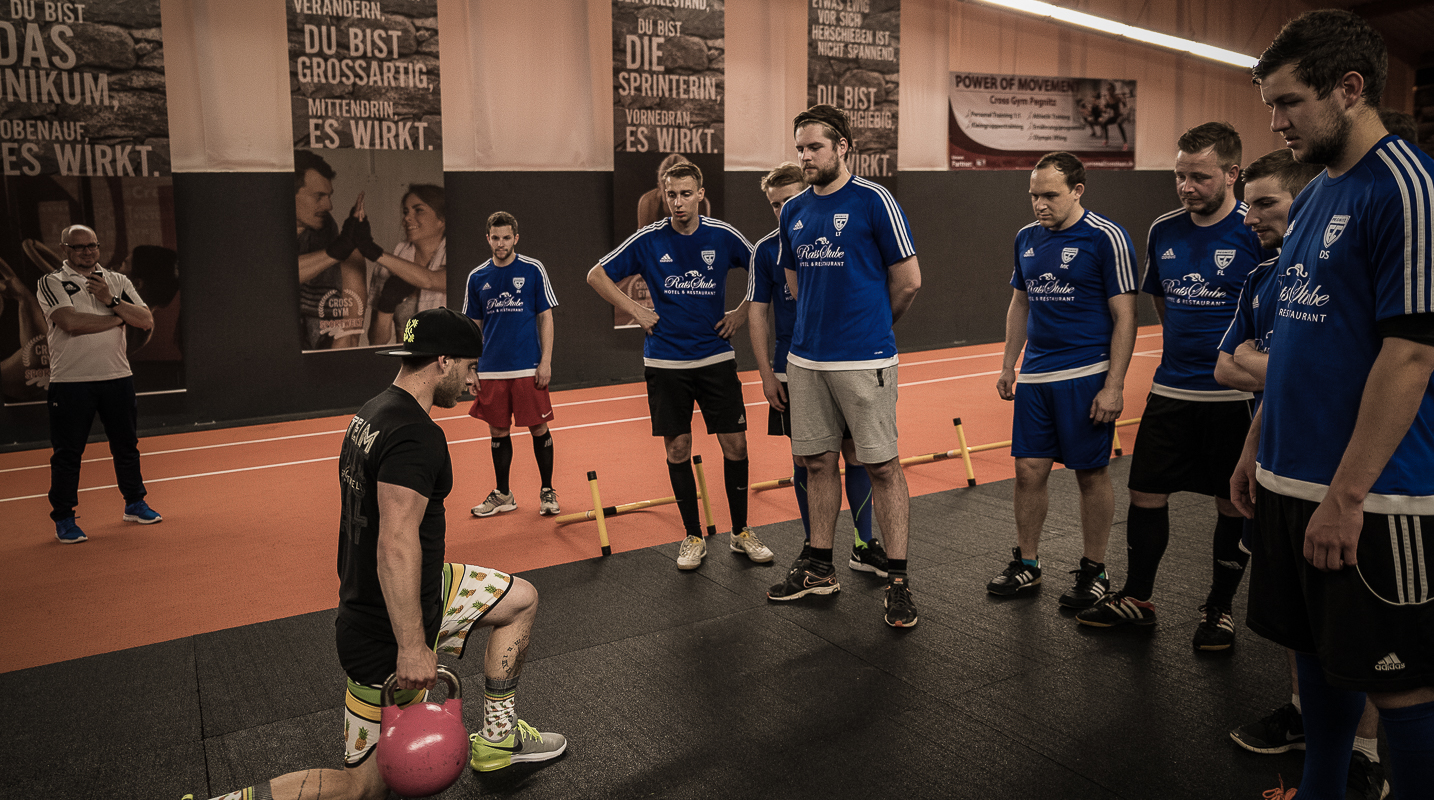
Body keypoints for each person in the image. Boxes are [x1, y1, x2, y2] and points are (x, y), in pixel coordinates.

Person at [184, 308, 565, 800]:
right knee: (362, 790)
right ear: (443, 362)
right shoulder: (415, 435)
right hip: (386, 625)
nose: (475, 381)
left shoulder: (373, 413)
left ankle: (497, 737)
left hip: (420, 587)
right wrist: (410, 645)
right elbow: (394, 546)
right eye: (471, 368)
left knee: (521, 600)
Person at [1234, 10, 1434, 799]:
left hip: (1375, 500)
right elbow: (1297, 343)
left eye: (1288, 103)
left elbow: (1412, 354)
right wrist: (1257, 447)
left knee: (1399, 684)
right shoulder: (1315, 192)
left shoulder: (1410, 191)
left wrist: (1347, 497)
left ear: (1349, 91)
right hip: (1288, 481)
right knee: (1315, 659)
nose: (1276, 122)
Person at [1217, 148, 1389, 800]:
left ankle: (1365, 755)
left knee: (1364, 638)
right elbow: (1229, 365)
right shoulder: (1270, 272)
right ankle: (1309, 725)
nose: (1249, 215)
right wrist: (1252, 449)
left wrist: (1290, 362)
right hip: (1282, 466)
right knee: (1303, 629)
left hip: (1357, 477)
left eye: (1265, 203)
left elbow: (1368, 369)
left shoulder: (1357, 262)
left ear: (1309, 200)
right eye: (1249, 202)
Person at [1075, 123, 1267, 647]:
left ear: (1232, 174)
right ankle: (1138, 598)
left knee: (1232, 504)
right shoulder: (1163, 229)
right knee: (1145, 492)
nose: (1186, 186)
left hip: (1236, 400)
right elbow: (1161, 301)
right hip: (1171, 391)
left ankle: (1219, 610)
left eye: (1199, 177)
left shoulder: (1256, 230)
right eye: (1179, 175)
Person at [764, 104, 922, 628]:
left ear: (842, 147)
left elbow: (909, 281)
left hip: (864, 359)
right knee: (816, 464)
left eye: (815, 147)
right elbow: (792, 283)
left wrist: (874, 326)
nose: (806, 157)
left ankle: (897, 579)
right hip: (805, 360)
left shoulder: (875, 201)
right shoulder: (793, 211)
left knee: (880, 466)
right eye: (800, 149)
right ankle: (818, 566)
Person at [587, 162, 772, 571]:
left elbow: (766, 268)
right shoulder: (648, 239)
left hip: (716, 358)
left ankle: (741, 532)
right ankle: (692, 536)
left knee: (736, 445)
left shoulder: (722, 235)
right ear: (663, 194)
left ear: (700, 194)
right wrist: (636, 310)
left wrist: (742, 311)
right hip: (665, 362)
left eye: (686, 194)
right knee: (678, 447)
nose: (678, 202)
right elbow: (595, 275)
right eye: (672, 194)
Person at [989, 152, 1138, 611]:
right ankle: (1028, 563)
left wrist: (1114, 385)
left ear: (1077, 190)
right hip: (1037, 376)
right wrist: (1008, 363)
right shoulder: (1026, 238)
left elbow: (1126, 315)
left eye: (1050, 195)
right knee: (1027, 471)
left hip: (1085, 374)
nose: (1039, 204)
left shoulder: (1106, 237)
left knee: (1090, 474)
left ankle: (1095, 569)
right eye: (1034, 195)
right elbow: (1020, 304)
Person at [747, 162, 888, 577]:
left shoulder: (845, 233)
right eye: (775, 204)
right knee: (807, 459)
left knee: (858, 456)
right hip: (795, 368)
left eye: (789, 199)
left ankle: (864, 544)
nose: (782, 209)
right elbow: (757, 314)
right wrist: (766, 376)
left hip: (848, 361)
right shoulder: (766, 250)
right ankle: (815, 547)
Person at [36, 224, 161, 543]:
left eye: (92, 245)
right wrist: (118, 318)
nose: (87, 252)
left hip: (117, 377)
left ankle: (134, 503)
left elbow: (145, 320)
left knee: (126, 447)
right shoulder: (51, 282)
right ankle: (64, 518)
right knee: (68, 454)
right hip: (71, 382)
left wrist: (110, 299)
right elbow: (70, 322)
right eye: (78, 247)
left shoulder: (117, 281)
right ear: (65, 249)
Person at [464, 212, 561, 518]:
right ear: (488, 238)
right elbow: (472, 326)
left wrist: (545, 361)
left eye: (507, 238)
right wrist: (470, 367)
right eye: (495, 238)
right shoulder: (477, 277)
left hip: (527, 367)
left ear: (516, 238)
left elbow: (545, 317)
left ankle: (547, 490)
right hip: (491, 368)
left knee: (538, 427)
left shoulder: (533, 269)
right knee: (497, 431)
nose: (501, 243)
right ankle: (503, 494)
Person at [294, 150, 366, 350]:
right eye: (319, 196)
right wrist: (336, 250)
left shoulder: (347, 252)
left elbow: (350, 335)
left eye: (329, 196)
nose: (329, 205)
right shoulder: (258, 239)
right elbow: (270, 276)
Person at [366, 185, 449, 347]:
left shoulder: (457, 260)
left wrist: (372, 251)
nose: (407, 218)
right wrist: (386, 304)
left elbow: (429, 281)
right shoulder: (387, 267)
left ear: (442, 220)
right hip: (405, 364)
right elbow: (376, 341)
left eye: (418, 210)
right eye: (405, 212)